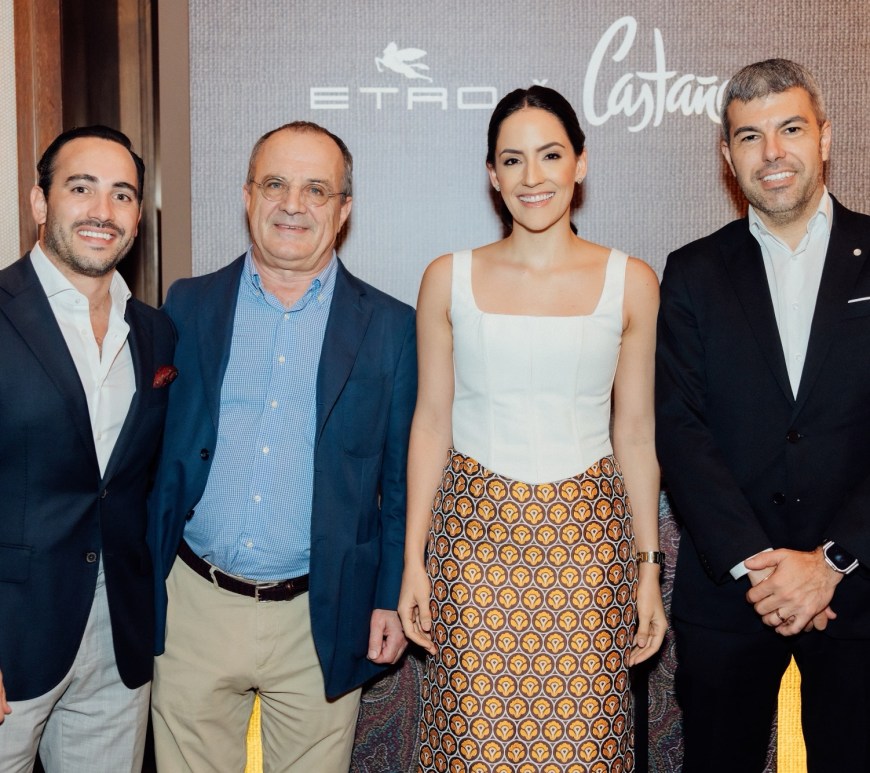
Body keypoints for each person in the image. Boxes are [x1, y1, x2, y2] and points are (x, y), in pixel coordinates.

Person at [398, 86, 666, 773]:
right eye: (512, 160)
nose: (532, 176)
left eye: (550, 155)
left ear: (581, 162)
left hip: (589, 551)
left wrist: (647, 569)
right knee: (471, 746)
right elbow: (430, 423)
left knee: (585, 747)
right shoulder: (447, 278)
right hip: (471, 547)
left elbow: (636, 435)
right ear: (492, 174)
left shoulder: (632, 281)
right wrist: (413, 560)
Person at [147, 120, 417, 772]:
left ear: (343, 209)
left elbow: (401, 483)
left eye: (316, 190)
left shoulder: (392, 328)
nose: (292, 204)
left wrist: (389, 596)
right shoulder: (187, 304)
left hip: (319, 614)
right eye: (275, 184)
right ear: (248, 196)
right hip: (192, 605)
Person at [656, 59, 870, 772]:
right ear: (728, 154)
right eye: (750, 136)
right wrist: (762, 568)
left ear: (825, 137)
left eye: (790, 129)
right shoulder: (692, 272)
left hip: (860, 592)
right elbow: (680, 429)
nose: (772, 153)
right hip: (731, 598)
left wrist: (832, 562)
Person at [0, 125, 175, 772]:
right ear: (39, 202)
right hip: (12, 639)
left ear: (138, 216)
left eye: (122, 194)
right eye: (81, 188)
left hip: (117, 639)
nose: (103, 211)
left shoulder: (155, 332)